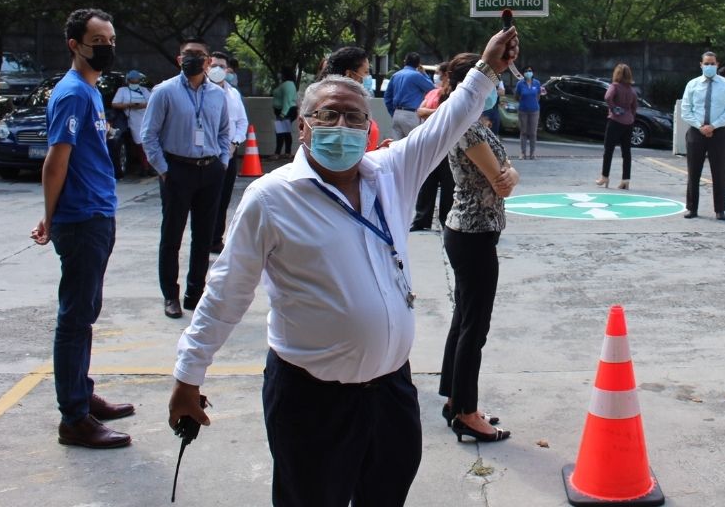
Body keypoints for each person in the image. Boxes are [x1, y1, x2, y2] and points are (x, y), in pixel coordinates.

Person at [167, 27, 520, 507]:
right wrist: (189, 376)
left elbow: (447, 122)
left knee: (386, 494)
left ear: (367, 128)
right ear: (304, 125)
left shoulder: (390, 173)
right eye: (326, 114)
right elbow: (226, 293)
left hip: (392, 391)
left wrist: (486, 68)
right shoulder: (271, 199)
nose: (341, 124)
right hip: (311, 400)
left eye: (353, 116)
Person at [30, 8, 134, 449]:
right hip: (81, 218)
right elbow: (57, 159)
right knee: (75, 317)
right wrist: (50, 218)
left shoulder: (90, 91)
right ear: (75, 45)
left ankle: (82, 393)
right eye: (98, 41)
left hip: (96, 213)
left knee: (85, 312)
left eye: (110, 40)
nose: (107, 48)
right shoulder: (72, 93)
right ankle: (73, 416)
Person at [438, 53, 520, 444]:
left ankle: (455, 400)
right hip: (473, 233)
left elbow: (507, 173)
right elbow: (500, 178)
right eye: (492, 79)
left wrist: (509, 172)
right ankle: (467, 413)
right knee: (475, 325)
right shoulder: (467, 127)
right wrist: (509, 172)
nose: (497, 87)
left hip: (472, 231)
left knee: (464, 318)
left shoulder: (469, 122)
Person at [141, 38, 230, 319]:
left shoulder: (218, 95)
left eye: (199, 55)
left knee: (203, 237)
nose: (193, 59)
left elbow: (226, 132)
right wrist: (164, 169)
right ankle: (171, 295)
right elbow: (149, 135)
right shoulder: (164, 92)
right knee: (172, 236)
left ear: (208, 62)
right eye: (188, 55)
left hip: (210, 169)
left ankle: (195, 293)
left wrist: (222, 163)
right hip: (177, 170)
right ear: (180, 60)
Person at [680, 52, 725, 220]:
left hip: (718, 132)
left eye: (712, 63)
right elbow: (685, 109)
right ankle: (692, 208)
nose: (709, 66)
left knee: (719, 171)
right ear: (701, 65)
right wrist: (701, 126)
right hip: (696, 132)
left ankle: (720, 209)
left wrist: (714, 125)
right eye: (706, 63)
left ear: (717, 64)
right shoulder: (692, 84)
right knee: (693, 172)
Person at [209, 51, 249, 254]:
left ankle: (216, 239)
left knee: (223, 199)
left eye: (222, 67)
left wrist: (235, 143)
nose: (217, 70)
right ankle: (204, 238)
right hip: (206, 156)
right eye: (213, 65)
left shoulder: (233, 94)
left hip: (229, 154)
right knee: (206, 201)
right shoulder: (201, 92)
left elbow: (242, 122)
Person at [412, 61, 455, 231]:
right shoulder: (433, 93)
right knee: (426, 183)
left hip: (446, 144)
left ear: (446, 74)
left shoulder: (452, 94)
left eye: (439, 73)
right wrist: (437, 112)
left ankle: (446, 221)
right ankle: (421, 219)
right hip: (429, 143)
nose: (436, 76)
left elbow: (449, 114)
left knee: (448, 185)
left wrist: (432, 113)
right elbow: (420, 111)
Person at [597, 63, 636, 189]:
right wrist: (630, 116)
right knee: (626, 152)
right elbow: (635, 107)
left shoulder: (615, 86)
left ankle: (605, 176)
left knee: (608, 150)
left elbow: (607, 97)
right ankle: (625, 180)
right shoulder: (631, 90)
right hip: (628, 122)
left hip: (615, 121)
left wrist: (614, 108)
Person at [384, 52, 434, 139]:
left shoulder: (395, 75)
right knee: (414, 145)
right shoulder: (417, 75)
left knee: (397, 147)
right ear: (418, 64)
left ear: (405, 61)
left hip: (397, 113)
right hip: (411, 114)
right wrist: (424, 74)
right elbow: (432, 88)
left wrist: (393, 112)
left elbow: (387, 97)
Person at [112, 70, 151, 177]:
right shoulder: (122, 91)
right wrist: (129, 105)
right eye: (133, 80)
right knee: (139, 143)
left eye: (137, 80)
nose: (135, 82)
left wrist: (141, 105)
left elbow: (151, 102)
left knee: (147, 143)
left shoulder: (144, 91)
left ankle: (149, 167)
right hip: (133, 119)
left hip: (146, 118)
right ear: (128, 80)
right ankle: (145, 166)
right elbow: (115, 104)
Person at [514, 66, 541, 159]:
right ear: (523, 73)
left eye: (530, 71)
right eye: (526, 71)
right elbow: (516, 96)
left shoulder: (537, 83)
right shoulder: (520, 84)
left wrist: (532, 102)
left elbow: (538, 96)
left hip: (534, 110)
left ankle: (532, 153)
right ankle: (523, 153)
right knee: (524, 132)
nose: (528, 72)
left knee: (533, 132)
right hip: (523, 110)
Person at [270, 70, 297, 160]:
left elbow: (287, 100)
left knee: (281, 133)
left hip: (286, 111)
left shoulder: (288, 84)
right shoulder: (287, 83)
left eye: (281, 72)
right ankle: (287, 153)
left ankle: (278, 153)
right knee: (285, 133)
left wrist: (283, 114)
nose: (279, 74)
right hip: (286, 111)